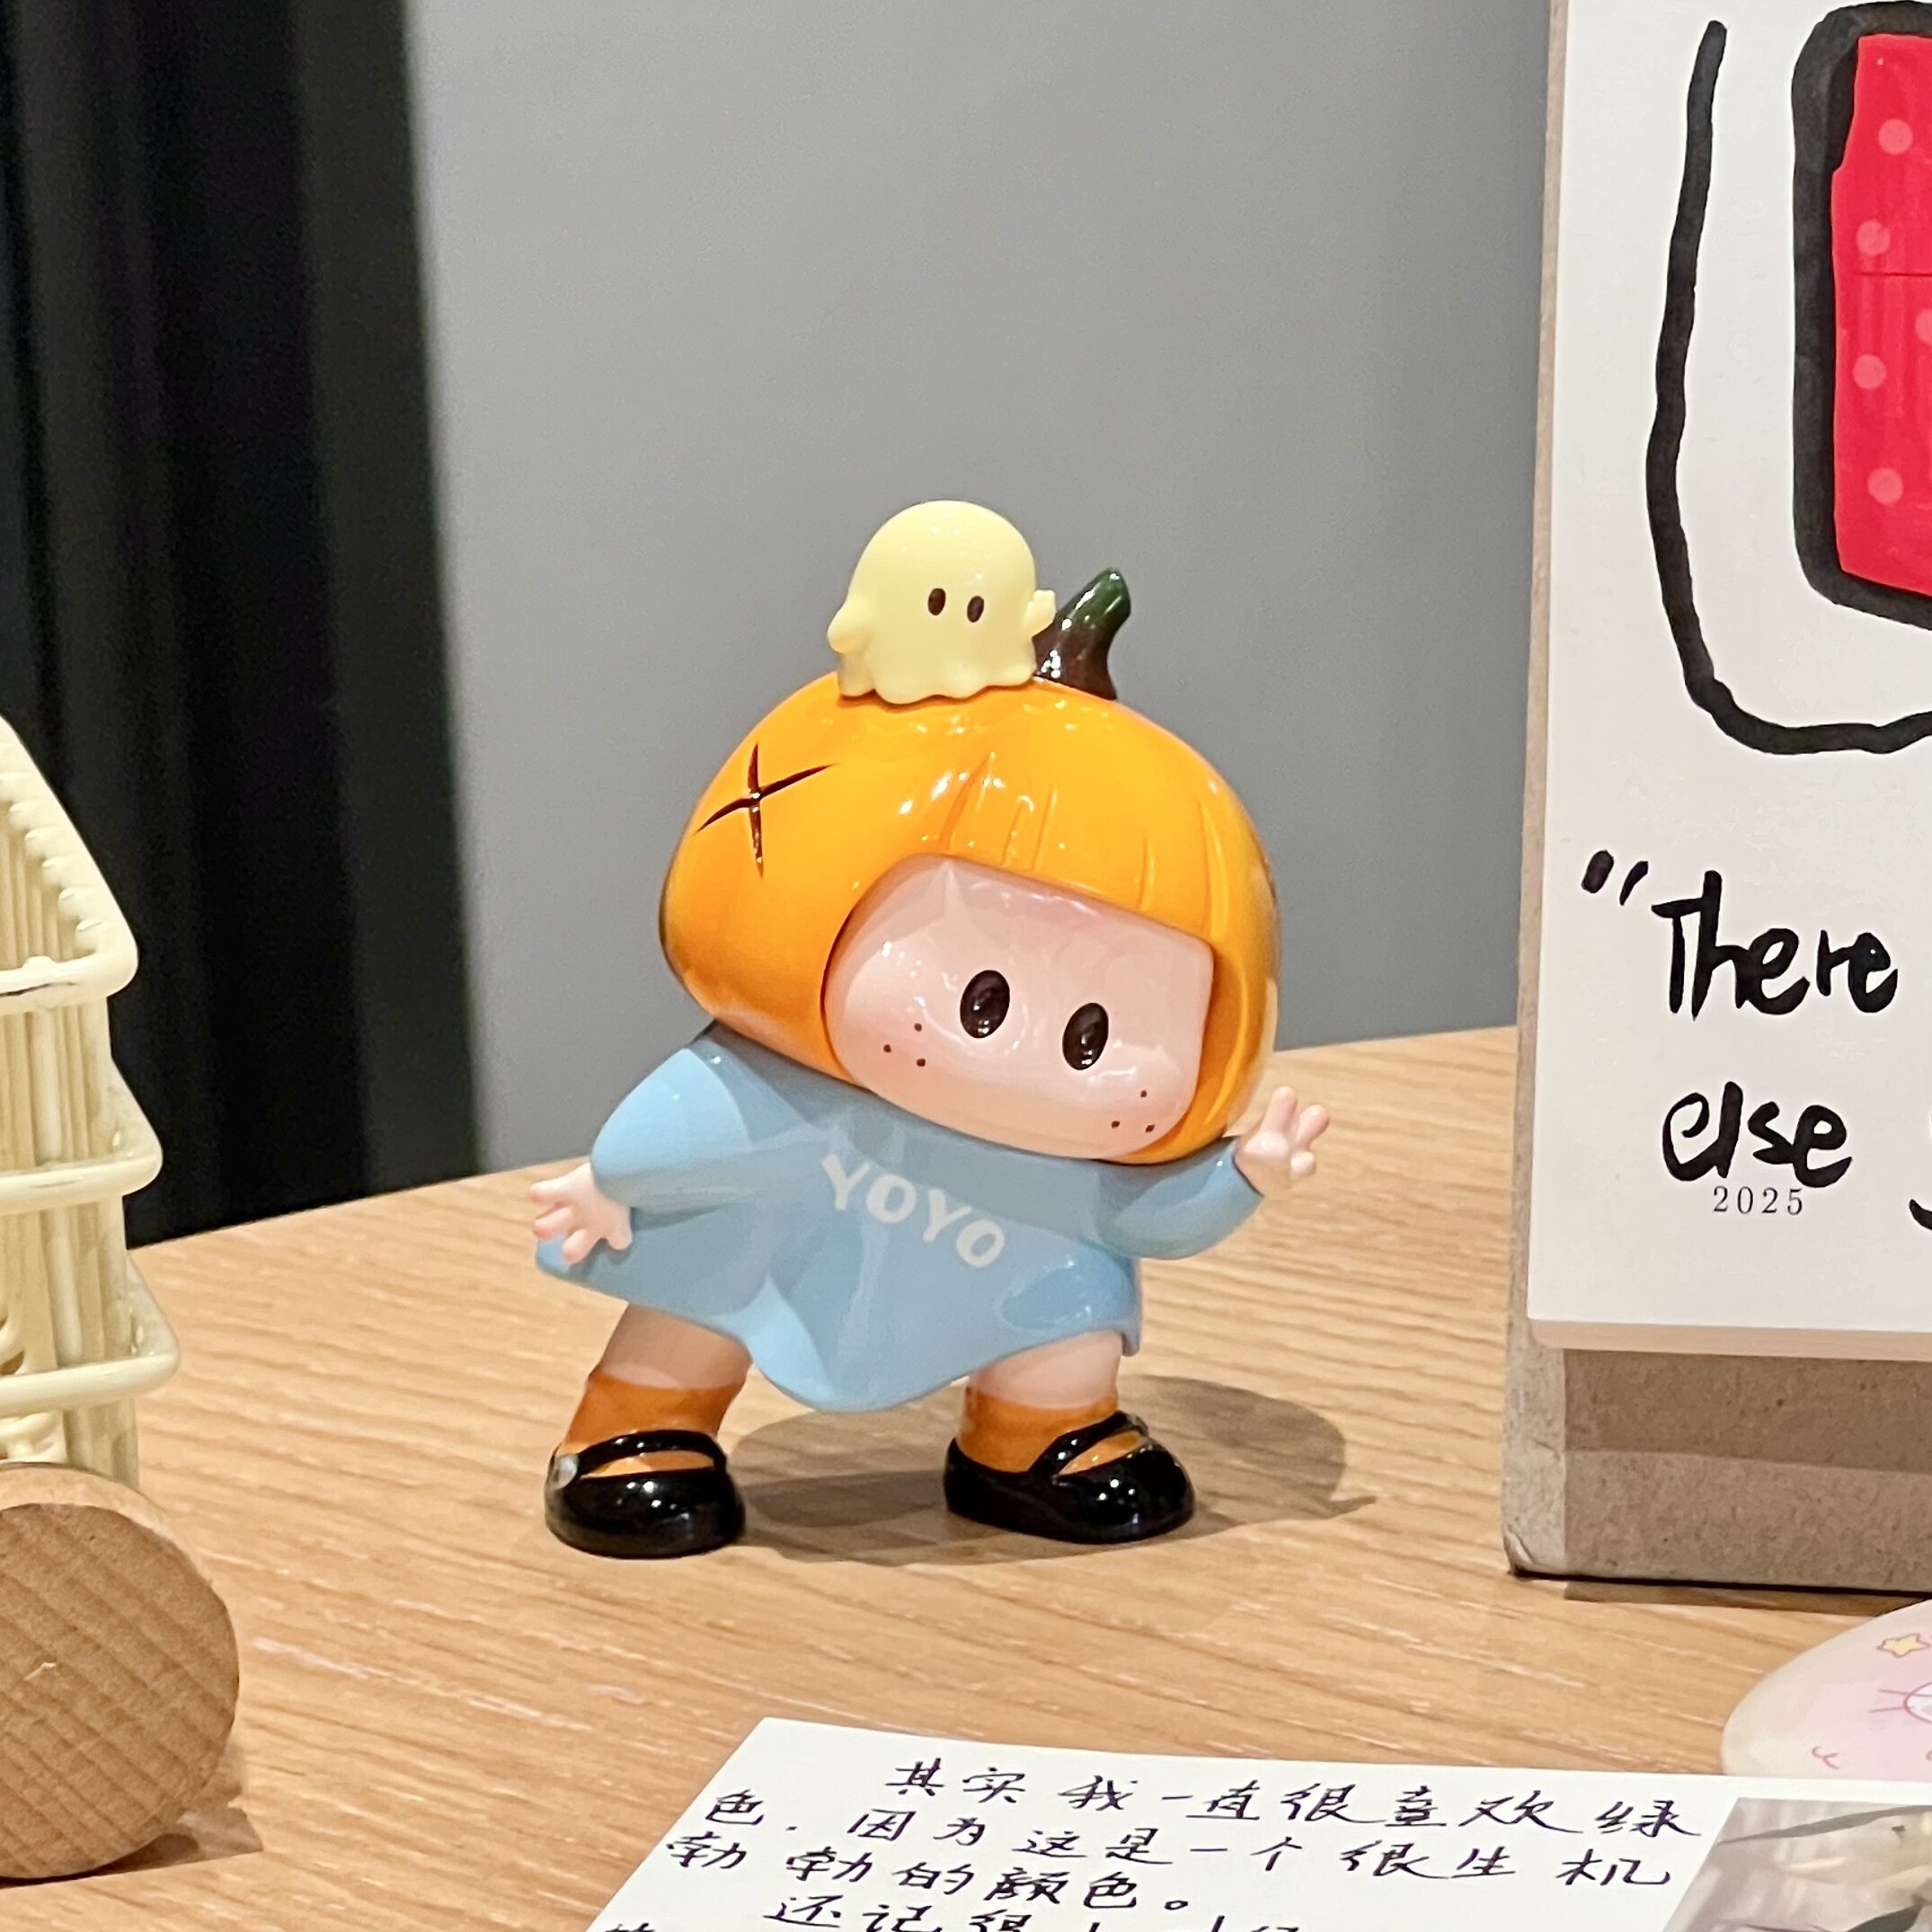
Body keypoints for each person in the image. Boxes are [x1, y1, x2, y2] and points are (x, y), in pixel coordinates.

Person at [533, 505, 1328, 1558]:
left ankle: (1038, 1432)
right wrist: (615, 1180)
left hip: (1022, 1270)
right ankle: (637, 1423)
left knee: (1069, 1322)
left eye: (1092, 1037)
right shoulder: (775, 1092)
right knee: (699, 1288)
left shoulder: (1070, 1164)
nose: (1023, 1057)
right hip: (775, 1224)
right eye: (982, 1001)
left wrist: (1241, 1174)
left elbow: (1144, 1216)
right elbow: (679, 1132)